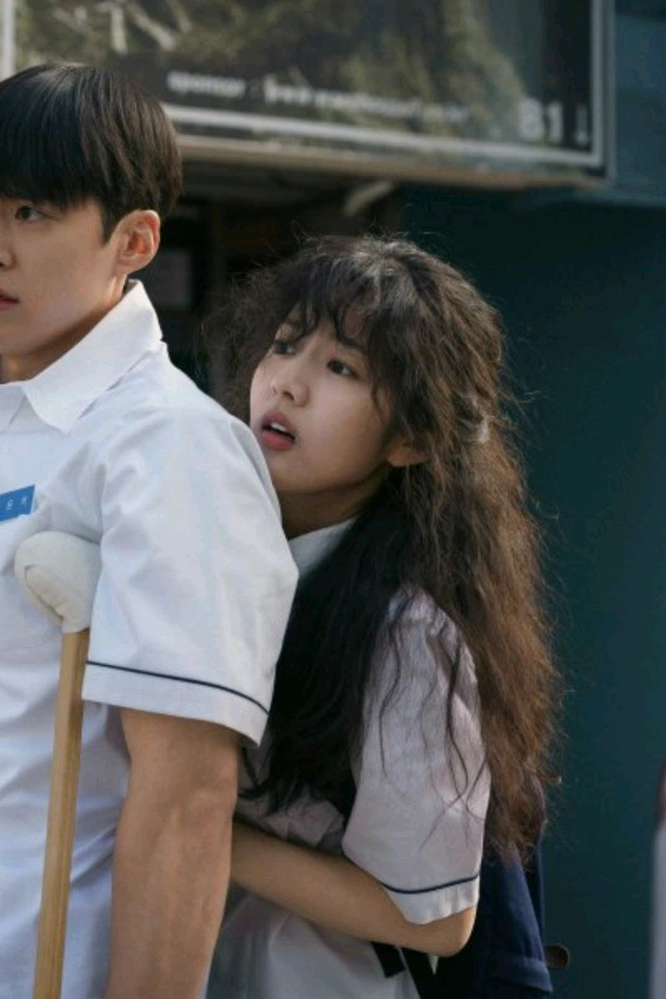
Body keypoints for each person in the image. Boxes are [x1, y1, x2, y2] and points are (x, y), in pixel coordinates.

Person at [0, 63, 297, 999]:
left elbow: (188, 796)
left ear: (133, 240)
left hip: (32, 970)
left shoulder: (170, 447)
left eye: (31, 213)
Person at [206, 235, 559, 998]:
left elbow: (435, 918)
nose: (287, 383)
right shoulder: (215, 561)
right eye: (284, 345)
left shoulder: (407, 633)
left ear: (411, 438)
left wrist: (200, 831)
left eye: (341, 368)